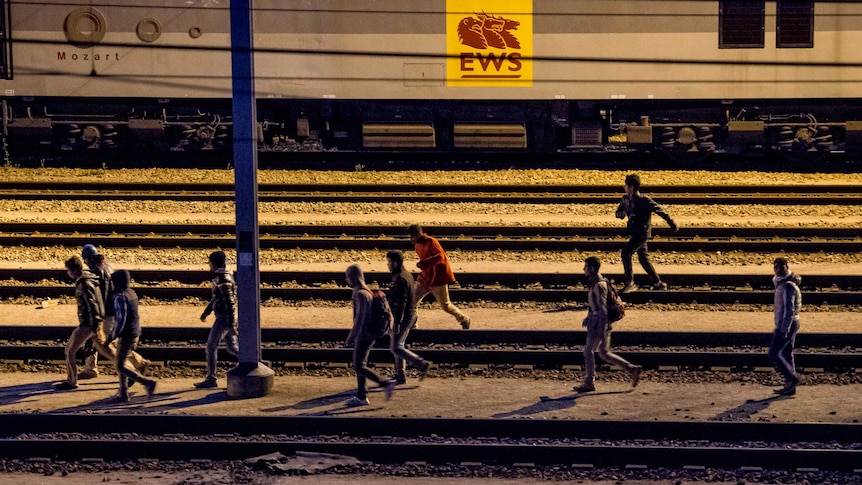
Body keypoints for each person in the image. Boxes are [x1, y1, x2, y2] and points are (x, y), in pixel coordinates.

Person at [54, 256, 132, 390]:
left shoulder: (84, 284)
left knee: (69, 350)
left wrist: (92, 324)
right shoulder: (90, 279)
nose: (67, 273)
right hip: (95, 323)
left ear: (74, 270)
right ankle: (131, 372)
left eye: (68, 270)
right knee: (109, 351)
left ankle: (72, 381)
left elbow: (92, 305)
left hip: (88, 325)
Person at [79, 244, 151, 379]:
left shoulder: (97, 271)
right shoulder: (107, 266)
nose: (84, 262)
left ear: (89, 258)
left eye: (85, 259)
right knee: (92, 340)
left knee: (108, 344)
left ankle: (139, 363)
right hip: (109, 312)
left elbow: (102, 294)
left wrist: (97, 313)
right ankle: (90, 368)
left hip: (105, 313)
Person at [573, 256, 642, 393]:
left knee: (588, 351)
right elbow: (595, 305)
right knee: (604, 353)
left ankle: (589, 382)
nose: (583, 269)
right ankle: (632, 369)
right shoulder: (597, 282)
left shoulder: (599, 285)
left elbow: (602, 308)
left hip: (598, 322)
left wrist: (601, 328)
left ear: (592, 268)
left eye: (585, 266)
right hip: (600, 321)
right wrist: (588, 316)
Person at [615, 173, 679, 293]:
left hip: (642, 233)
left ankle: (630, 283)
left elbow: (659, 210)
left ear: (632, 187)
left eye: (626, 185)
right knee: (643, 258)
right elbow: (618, 213)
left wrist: (672, 222)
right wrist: (621, 214)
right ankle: (658, 283)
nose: (624, 187)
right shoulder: (625, 199)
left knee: (625, 253)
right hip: (634, 232)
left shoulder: (644, 200)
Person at [344, 263, 397, 407]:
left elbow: (360, 318)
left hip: (364, 335)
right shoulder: (366, 290)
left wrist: (351, 336)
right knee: (361, 364)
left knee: (359, 366)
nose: (346, 280)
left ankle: (385, 383)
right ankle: (361, 396)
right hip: (368, 333)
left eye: (347, 277)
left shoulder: (360, 294)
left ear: (353, 277)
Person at [104, 270, 157, 401]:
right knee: (122, 361)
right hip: (134, 331)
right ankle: (123, 393)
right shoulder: (131, 293)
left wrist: (111, 336)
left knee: (120, 366)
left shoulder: (119, 297)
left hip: (126, 334)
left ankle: (147, 383)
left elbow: (120, 320)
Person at [407, 224, 471, 329]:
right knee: (412, 301)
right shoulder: (417, 245)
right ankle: (413, 324)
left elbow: (440, 257)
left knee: (446, 305)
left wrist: (424, 263)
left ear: (418, 234)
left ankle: (464, 319)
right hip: (425, 277)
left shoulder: (431, 242)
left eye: (412, 236)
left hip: (438, 278)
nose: (411, 239)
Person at [194, 250, 240, 389]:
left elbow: (229, 302)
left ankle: (211, 378)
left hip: (223, 318)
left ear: (213, 264)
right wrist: (207, 311)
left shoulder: (222, 280)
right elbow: (218, 298)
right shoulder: (225, 276)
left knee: (211, 346)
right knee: (231, 347)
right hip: (226, 317)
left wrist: (231, 323)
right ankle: (250, 361)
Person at [386, 250, 431, 385]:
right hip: (408, 314)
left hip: (405, 316)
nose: (387, 265)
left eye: (388, 262)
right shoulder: (407, 275)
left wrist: (397, 322)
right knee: (398, 344)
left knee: (396, 347)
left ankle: (421, 364)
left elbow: (402, 302)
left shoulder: (400, 278)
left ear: (394, 263)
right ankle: (400, 375)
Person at [769, 257, 802, 396]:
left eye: (781, 267)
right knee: (787, 353)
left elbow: (789, 310)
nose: (778, 269)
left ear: (786, 267)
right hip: (787, 323)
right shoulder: (781, 283)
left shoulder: (788, 286)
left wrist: (783, 329)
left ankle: (792, 379)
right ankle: (790, 387)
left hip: (788, 324)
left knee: (773, 353)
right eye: (776, 267)